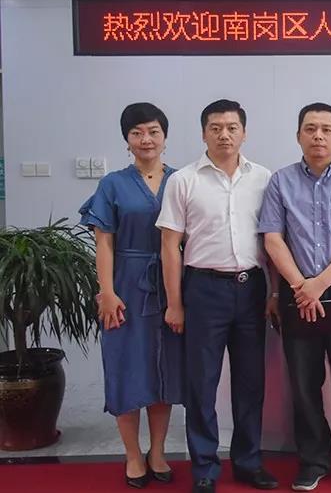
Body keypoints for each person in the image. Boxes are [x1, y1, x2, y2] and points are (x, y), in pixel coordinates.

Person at [156, 99, 278, 493]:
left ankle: (248, 462)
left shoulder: (263, 178)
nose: (224, 135)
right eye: (215, 128)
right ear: (203, 133)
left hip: (251, 287)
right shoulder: (184, 180)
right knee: (202, 383)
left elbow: (273, 240)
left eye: (231, 127)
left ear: (244, 132)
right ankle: (205, 468)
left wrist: (275, 291)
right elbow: (170, 245)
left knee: (250, 382)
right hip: (203, 289)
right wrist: (175, 303)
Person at [259, 103, 331, 491]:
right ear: (298, 136)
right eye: (310, 129)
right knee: (304, 381)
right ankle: (313, 460)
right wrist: (301, 286)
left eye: (327, 129)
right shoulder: (280, 182)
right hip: (297, 292)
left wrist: (319, 284)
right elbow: (273, 238)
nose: (318, 136)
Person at [79, 102, 183, 489]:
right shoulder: (113, 184)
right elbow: (103, 242)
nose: (146, 139)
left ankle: (158, 451)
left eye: (153, 131)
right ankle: (133, 455)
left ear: (165, 137)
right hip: (125, 286)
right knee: (126, 368)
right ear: (127, 139)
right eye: (137, 132)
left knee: (164, 370)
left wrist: (180, 298)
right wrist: (106, 291)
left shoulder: (181, 180)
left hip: (171, 287)